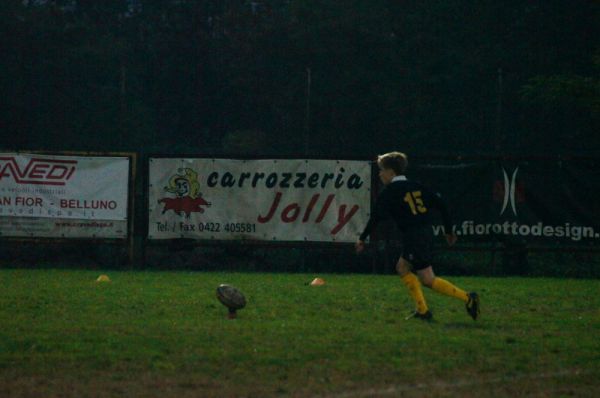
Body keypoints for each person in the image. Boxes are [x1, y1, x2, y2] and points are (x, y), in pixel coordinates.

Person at [355, 151, 479, 321]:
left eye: (382, 170)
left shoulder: (390, 191)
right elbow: (441, 204)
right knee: (402, 267)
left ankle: (468, 298)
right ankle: (422, 311)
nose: (380, 174)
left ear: (391, 172)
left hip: (415, 237)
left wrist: (362, 238)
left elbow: (376, 217)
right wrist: (449, 230)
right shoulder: (416, 186)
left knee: (428, 279)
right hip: (423, 233)